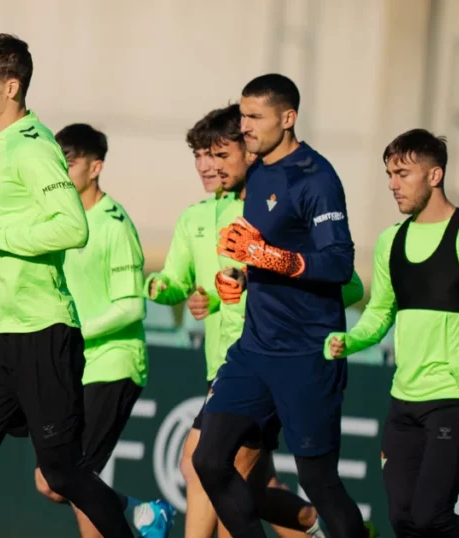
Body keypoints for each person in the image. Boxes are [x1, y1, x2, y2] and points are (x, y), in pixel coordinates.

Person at [0, 33, 135, 538]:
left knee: (63, 472)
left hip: (42, 333)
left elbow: (72, 226)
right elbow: (13, 224)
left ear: (11, 86)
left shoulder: (34, 147)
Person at [149, 105, 362, 538]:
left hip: (284, 356)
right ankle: (317, 525)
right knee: (247, 483)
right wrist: (193, 289)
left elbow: (349, 281)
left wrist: (267, 262)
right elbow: (184, 280)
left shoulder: (287, 196)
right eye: (201, 155)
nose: (209, 165)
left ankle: (323, 522)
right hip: (232, 363)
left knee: (205, 467)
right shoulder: (201, 215)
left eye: (220, 154)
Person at [326, 129, 459, 537]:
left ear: (434, 175)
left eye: (403, 173)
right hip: (403, 399)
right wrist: (350, 341)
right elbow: (380, 312)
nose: (393, 184)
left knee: (432, 518)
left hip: (456, 400)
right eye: (389, 173)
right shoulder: (391, 240)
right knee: (404, 521)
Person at [29, 123, 176, 538]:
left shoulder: (114, 225)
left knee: (74, 479)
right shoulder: (59, 219)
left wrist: (77, 331)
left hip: (113, 363)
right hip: (72, 365)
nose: (61, 171)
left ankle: (141, 513)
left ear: (96, 168)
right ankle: (142, 510)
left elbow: (132, 306)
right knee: (56, 480)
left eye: (69, 163)